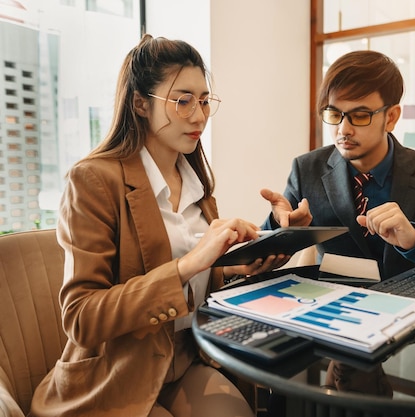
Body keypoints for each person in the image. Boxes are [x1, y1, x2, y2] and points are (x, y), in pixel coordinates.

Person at [29, 34, 288, 417]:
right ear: (140, 103)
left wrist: (233, 265)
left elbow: (192, 279)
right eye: (182, 101)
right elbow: (81, 317)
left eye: (203, 101)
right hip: (115, 373)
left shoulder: (198, 183)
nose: (199, 116)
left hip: (186, 357)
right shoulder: (93, 180)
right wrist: (191, 263)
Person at [261, 50, 415, 279]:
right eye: (335, 115)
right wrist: (279, 225)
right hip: (332, 303)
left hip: (411, 305)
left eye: (361, 115)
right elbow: (261, 256)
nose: (344, 130)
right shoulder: (307, 169)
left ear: (391, 117)